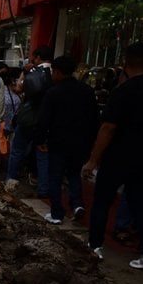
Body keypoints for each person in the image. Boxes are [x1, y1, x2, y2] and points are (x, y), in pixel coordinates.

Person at [82, 43, 143, 269]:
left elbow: (108, 128)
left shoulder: (123, 91)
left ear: (126, 62)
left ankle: (94, 246)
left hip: (119, 155)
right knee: (140, 204)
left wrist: (93, 160)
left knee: (103, 201)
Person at [36, 55, 99, 224]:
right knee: (73, 174)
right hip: (81, 142)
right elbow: (95, 119)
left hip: (59, 141)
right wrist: (92, 142)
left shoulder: (53, 92)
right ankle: (77, 204)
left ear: (56, 72)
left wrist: (40, 139)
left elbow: (44, 119)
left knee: (55, 176)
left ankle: (57, 213)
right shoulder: (87, 91)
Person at [6, 46, 53, 194]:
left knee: (17, 150)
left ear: (38, 57)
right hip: (46, 121)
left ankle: (11, 180)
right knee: (42, 153)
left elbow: (18, 89)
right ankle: (43, 187)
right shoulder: (56, 74)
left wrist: (23, 74)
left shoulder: (33, 73)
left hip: (28, 119)